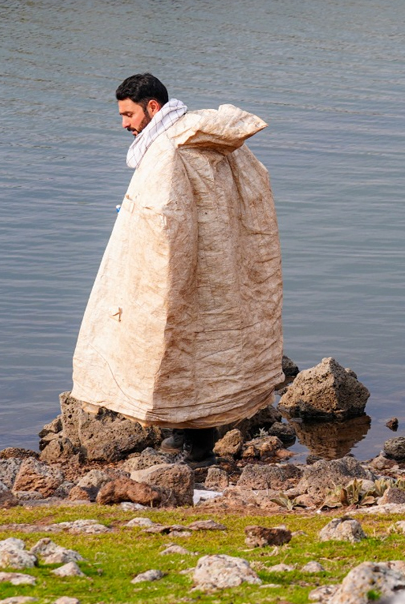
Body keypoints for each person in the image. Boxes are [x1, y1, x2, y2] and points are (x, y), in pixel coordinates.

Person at [71, 73, 284, 466]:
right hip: (217, 262)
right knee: (198, 343)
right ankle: (181, 433)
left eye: (129, 114)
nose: (124, 124)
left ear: (153, 107)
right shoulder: (192, 138)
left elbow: (166, 215)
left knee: (177, 338)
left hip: (185, 261)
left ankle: (195, 443)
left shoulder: (171, 148)